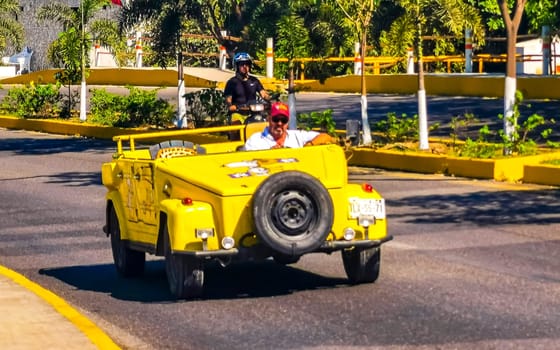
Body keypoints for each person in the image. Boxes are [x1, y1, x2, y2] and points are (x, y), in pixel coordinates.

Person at [244, 102, 333, 150]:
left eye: (283, 120)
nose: (279, 123)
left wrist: (308, 146)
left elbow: (325, 136)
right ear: (269, 119)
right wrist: (269, 155)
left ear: (287, 122)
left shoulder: (297, 136)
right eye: (276, 119)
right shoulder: (255, 140)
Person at [224, 52, 271, 125]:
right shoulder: (232, 82)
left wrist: (270, 100)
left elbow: (263, 94)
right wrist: (230, 106)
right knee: (235, 127)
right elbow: (228, 99)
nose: (245, 66)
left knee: (267, 122)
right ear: (236, 66)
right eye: (242, 64)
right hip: (238, 113)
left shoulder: (254, 80)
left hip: (254, 113)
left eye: (247, 64)